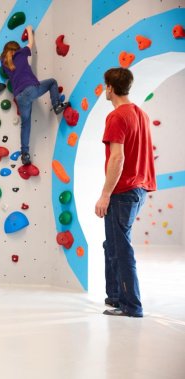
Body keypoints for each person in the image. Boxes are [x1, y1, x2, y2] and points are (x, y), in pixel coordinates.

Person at [95, 67, 156, 317]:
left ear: (110, 87)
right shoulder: (140, 114)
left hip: (123, 191)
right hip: (140, 188)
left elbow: (117, 158)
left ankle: (131, 306)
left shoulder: (117, 117)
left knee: (121, 249)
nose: (104, 90)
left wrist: (105, 194)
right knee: (112, 244)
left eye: (105, 86)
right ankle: (116, 297)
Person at [0, 25, 70, 165]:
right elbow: (31, 43)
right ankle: (56, 106)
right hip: (30, 89)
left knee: (25, 125)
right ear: (16, 49)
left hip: (19, 97)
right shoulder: (21, 53)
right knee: (52, 82)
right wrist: (29, 29)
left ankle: (25, 154)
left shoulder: (4, 63)